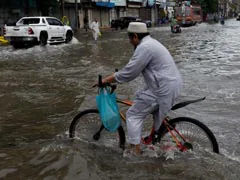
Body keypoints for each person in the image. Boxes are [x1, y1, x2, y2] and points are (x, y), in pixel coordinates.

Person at [98, 22, 182, 155]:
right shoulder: (152, 43)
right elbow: (133, 70)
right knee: (140, 97)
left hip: (162, 88)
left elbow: (129, 72)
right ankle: (155, 136)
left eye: (130, 38)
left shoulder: (144, 48)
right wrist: (117, 78)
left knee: (132, 115)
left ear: (135, 36)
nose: (130, 42)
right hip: (169, 85)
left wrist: (106, 80)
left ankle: (134, 153)